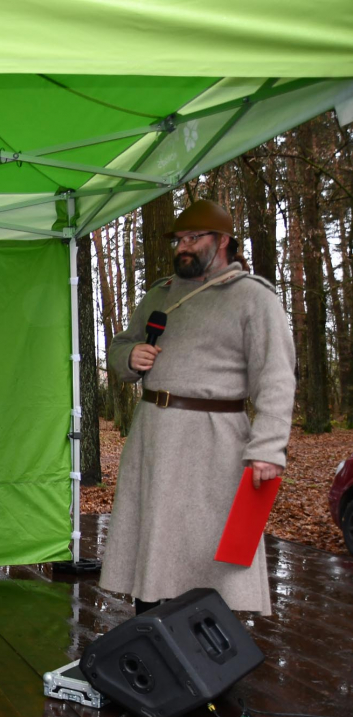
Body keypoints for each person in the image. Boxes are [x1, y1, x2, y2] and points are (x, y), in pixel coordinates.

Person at [101, 200, 295, 616]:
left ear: (223, 241)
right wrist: (129, 356)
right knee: (154, 547)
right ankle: (151, 640)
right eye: (179, 240)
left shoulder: (253, 298)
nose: (183, 248)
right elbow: (120, 345)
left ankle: (209, 658)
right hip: (154, 435)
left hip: (217, 441)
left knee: (209, 553)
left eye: (194, 238)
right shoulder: (160, 293)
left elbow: (276, 377)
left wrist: (268, 447)